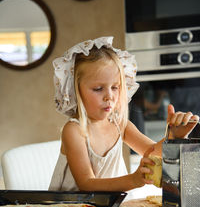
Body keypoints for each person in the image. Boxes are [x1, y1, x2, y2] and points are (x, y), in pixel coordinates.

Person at [49, 36, 199, 193]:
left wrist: (174, 137)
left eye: (115, 87)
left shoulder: (119, 123)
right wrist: (132, 180)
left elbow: (151, 151)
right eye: (98, 89)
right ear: (75, 90)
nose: (109, 96)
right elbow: (86, 183)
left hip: (110, 206)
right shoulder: (74, 131)